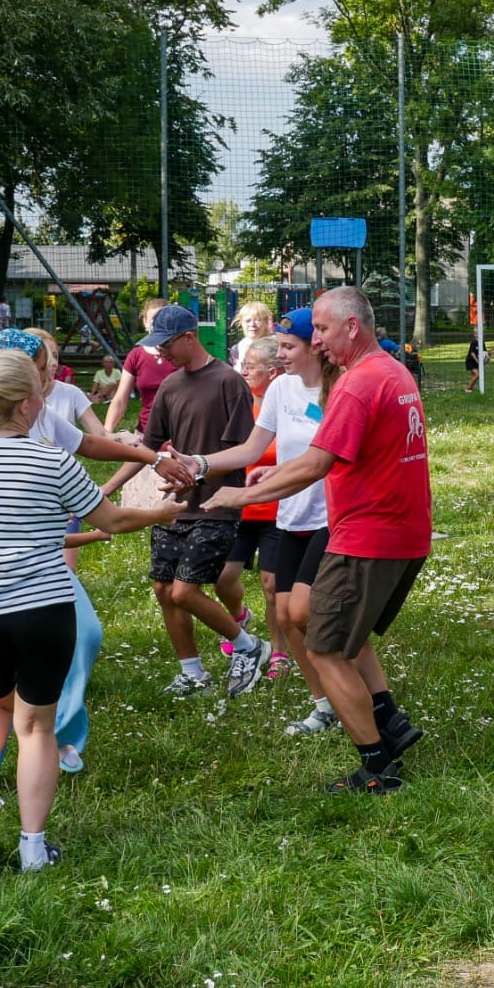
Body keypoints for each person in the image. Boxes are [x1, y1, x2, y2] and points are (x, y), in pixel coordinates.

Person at [0, 349, 180, 867]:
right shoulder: (50, 460)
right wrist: (163, 512)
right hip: (41, 609)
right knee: (36, 728)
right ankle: (32, 848)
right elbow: (111, 521)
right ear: (28, 405)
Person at [202, 287, 430, 791]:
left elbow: (315, 463)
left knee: (326, 649)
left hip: (367, 533)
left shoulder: (357, 383)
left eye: (322, 330)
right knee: (335, 632)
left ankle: (377, 770)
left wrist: (235, 499)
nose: (317, 340)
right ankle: (390, 722)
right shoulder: (393, 371)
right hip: (400, 529)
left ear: (352, 326)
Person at [179, 309, 344, 736]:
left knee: (309, 615)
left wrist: (255, 489)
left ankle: (359, 699)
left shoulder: (341, 388)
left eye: (289, 347)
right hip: (290, 516)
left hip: (333, 517)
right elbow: (252, 450)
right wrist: (199, 463)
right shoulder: (280, 390)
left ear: (315, 348)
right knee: (288, 618)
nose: (281, 355)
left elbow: (325, 460)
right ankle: (324, 705)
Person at [109, 304, 270, 697]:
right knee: (164, 590)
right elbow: (149, 449)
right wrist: (106, 488)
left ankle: (250, 648)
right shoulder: (170, 385)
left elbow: (244, 452)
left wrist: (194, 471)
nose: (159, 353)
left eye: (165, 345)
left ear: (189, 337)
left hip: (217, 504)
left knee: (185, 590)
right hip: (173, 507)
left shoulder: (228, 382)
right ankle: (192, 672)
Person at [215, 335, 284, 672]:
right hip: (239, 506)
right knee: (223, 578)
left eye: (250, 366)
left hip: (276, 509)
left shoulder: (290, 404)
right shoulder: (237, 404)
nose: (242, 371)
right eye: (242, 365)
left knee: (272, 584)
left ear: (272, 372)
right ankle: (239, 617)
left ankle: (280, 651)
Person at [103, 299, 175, 433]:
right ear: (145, 322)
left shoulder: (181, 354)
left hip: (181, 431)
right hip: (147, 431)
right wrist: (106, 433)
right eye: (153, 319)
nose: (156, 324)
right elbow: (120, 399)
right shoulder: (136, 355)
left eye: (161, 319)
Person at [231, 300, 274, 372]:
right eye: (248, 321)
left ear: (266, 322)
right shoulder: (237, 349)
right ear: (241, 323)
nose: (252, 325)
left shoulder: (275, 347)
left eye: (258, 320)